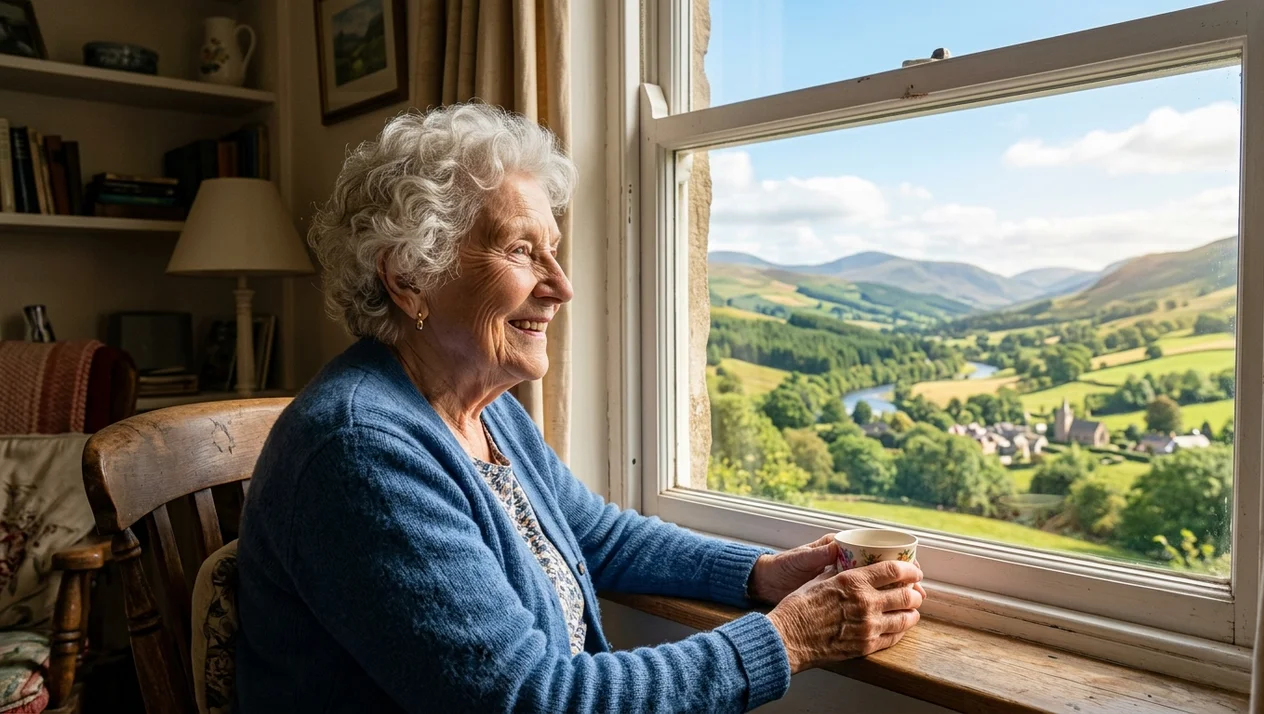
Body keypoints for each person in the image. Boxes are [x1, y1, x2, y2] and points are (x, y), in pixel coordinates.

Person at [235, 103, 925, 713]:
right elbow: (530, 699)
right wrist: (789, 637)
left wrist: (760, 572)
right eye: (521, 251)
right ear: (411, 275)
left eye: (555, 253)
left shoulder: (484, 407)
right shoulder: (359, 452)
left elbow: (599, 535)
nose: (560, 287)